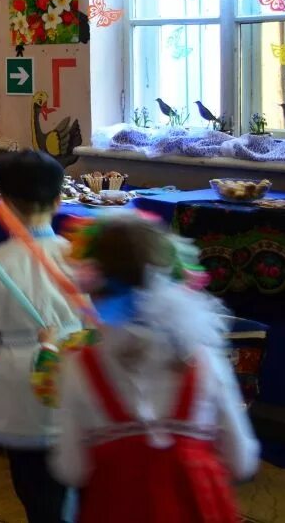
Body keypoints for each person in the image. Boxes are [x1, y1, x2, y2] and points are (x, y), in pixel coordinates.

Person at [49, 213, 260, 522]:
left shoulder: (80, 368)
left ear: (94, 288)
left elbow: (70, 468)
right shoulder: (205, 363)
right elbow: (242, 461)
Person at [0, 150, 81, 523]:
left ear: (6, 205)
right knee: (73, 480)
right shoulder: (75, 256)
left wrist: (18, 350)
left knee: (34, 488)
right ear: (59, 201)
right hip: (76, 383)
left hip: (20, 392)